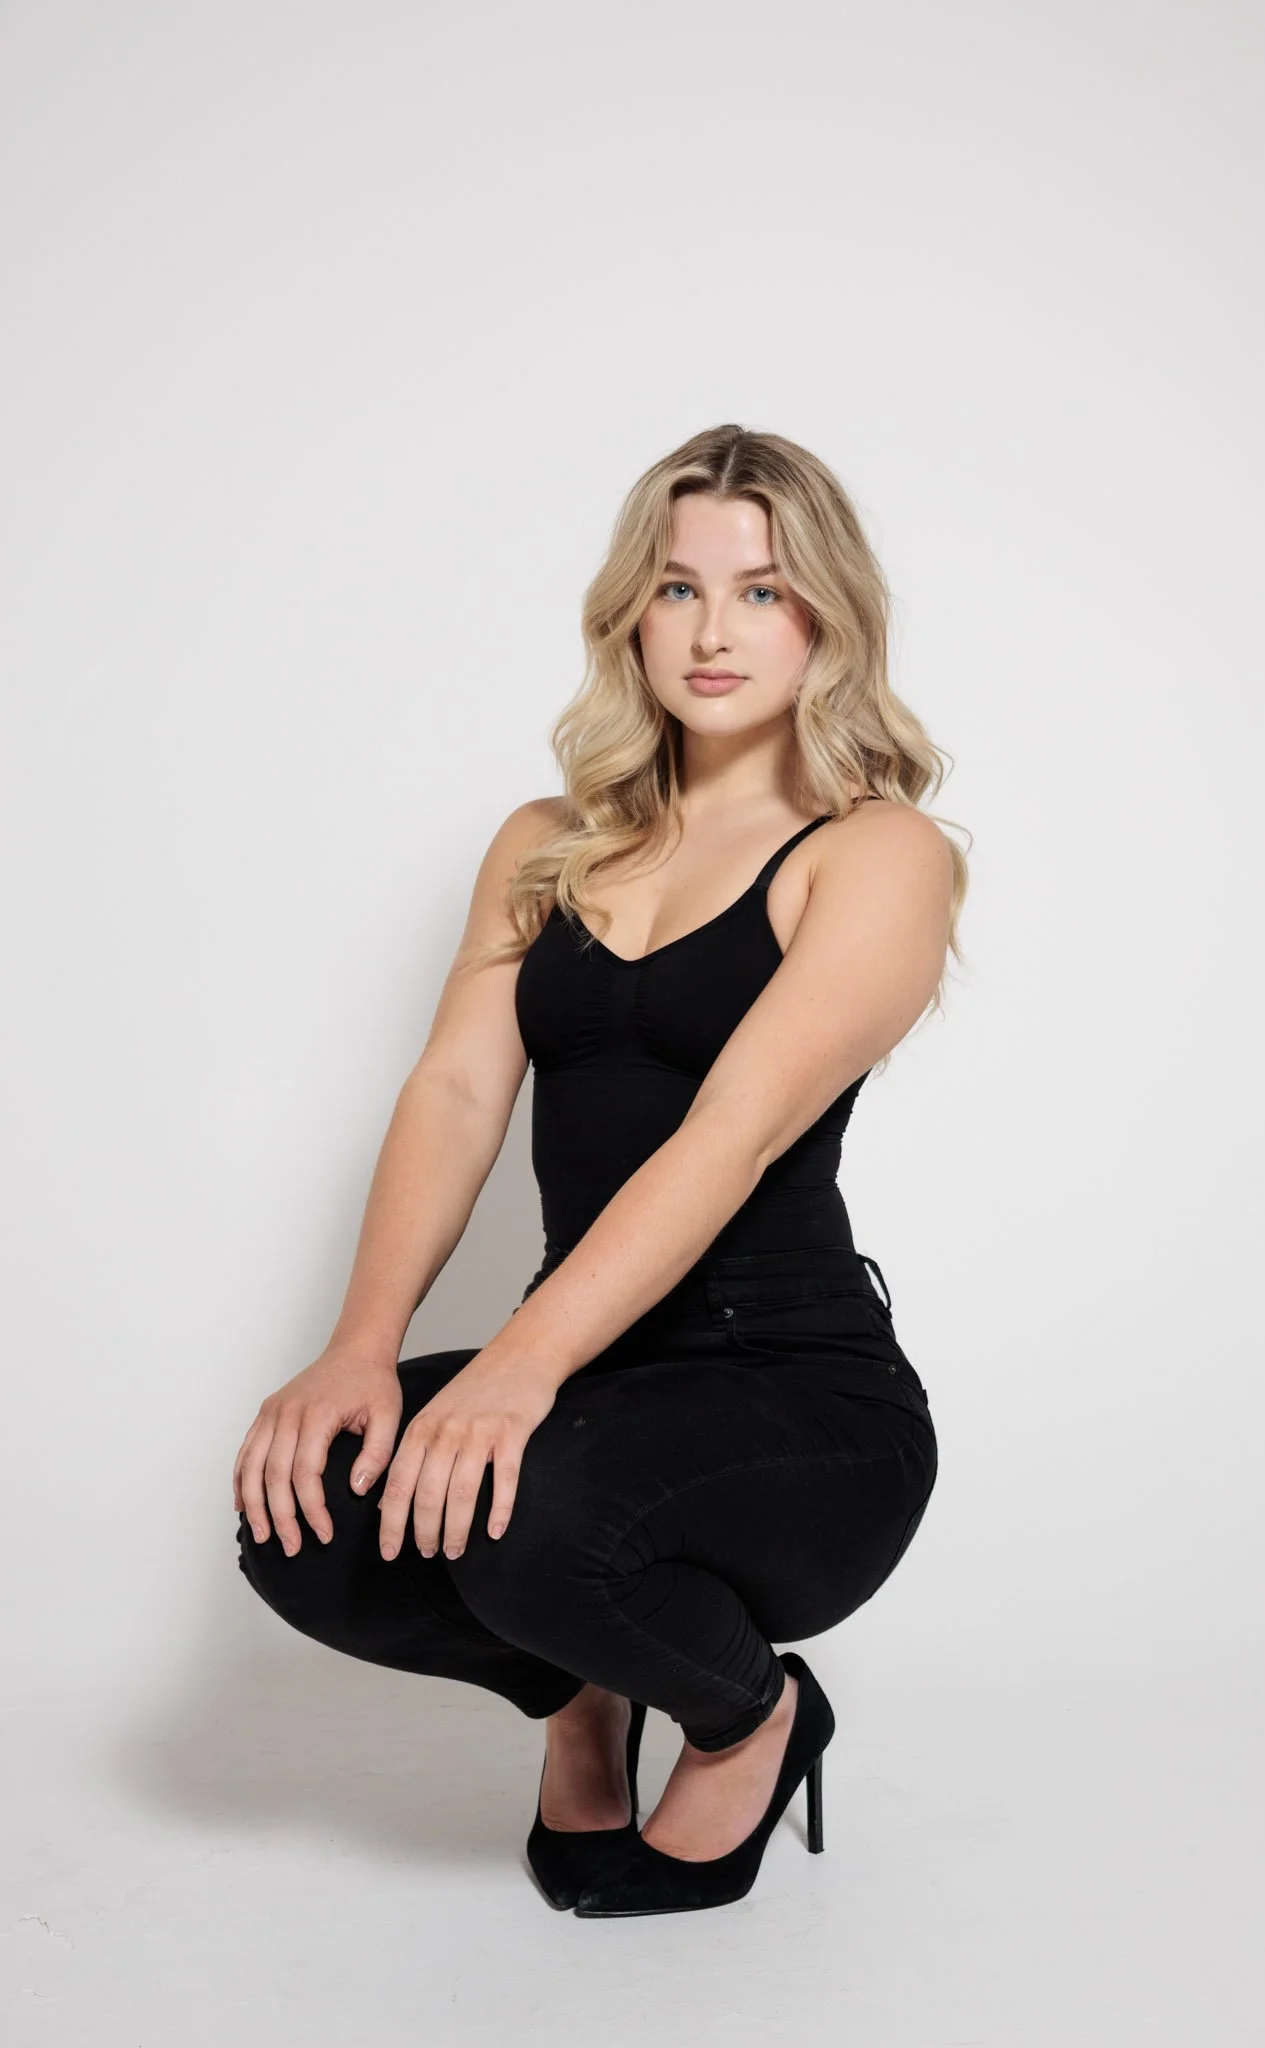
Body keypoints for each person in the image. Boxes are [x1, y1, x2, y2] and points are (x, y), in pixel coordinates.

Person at [232, 422, 969, 1917]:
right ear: (629, 609)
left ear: (828, 614)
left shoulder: (876, 850)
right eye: (678, 587)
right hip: (594, 1373)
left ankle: (754, 1715)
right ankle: (580, 1689)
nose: (713, 631)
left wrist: (511, 1369)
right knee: (303, 1514)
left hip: (796, 1396)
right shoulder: (546, 844)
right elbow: (452, 1091)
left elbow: (731, 1134)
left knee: (525, 1511)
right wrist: (361, 1350)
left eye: (762, 591)